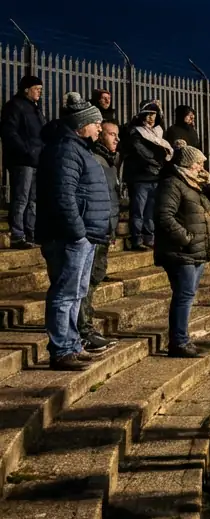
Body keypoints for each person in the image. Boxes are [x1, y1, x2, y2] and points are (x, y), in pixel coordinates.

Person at [36, 94, 111, 371]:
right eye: (96, 124)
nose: (99, 129)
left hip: (82, 236)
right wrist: (78, 233)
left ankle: (72, 344)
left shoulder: (76, 148)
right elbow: (63, 196)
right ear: (82, 125)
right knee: (65, 293)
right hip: (69, 236)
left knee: (76, 292)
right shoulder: (65, 150)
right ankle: (61, 350)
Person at [153, 145, 210, 357]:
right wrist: (187, 239)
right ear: (186, 163)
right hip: (181, 251)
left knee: (187, 295)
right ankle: (179, 341)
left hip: (196, 251)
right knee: (183, 296)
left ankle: (181, 338)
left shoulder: (195, 184)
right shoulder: (173, 183)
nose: (202, 167)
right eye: (198, 163)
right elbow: (164, 216)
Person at [77, 120, 121, 355]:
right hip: (94, 230)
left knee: (93, 279)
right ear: (99, 135)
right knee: (85, 283)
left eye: (117, 135)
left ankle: (85, 326)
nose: (116, 139)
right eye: (111, 134)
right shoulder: (95, 160)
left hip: (104, 230)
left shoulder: (109, 162)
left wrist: (111, 230)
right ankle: (84, 330)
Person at [121, 100, 172, 251]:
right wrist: (158, 161)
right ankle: (136, 239)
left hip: (154, 178)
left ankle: (149, 238)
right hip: (140, 178)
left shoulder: (157, 133)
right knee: (138, 211)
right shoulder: (135, 132)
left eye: (154, 114)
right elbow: (143, 153)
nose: (151, 118)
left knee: (150, 212)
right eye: (148, 114)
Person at [2, 74, 44, 249]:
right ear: (26, 89)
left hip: (35, 159)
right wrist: (26, 151)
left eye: (41, 89)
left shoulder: (35, 108)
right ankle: (18, 234)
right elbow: (9, 132)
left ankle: (30, 233)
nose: (39, 92)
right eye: (36, 89)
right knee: (21, 198)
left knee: (33, 199)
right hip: (22, 160)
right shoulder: (14, 106)